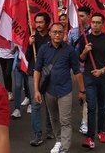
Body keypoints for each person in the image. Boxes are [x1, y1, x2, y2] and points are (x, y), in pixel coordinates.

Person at [33, 23, 85, 153]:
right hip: (49, 90)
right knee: (54, 118)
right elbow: (37, 70)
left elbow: (77, 71)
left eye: (60, 32)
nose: (57, 34)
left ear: (64, 34)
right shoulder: (43, 49)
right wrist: (36, 90)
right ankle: (59, 140)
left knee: (65, 120)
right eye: (54, 32)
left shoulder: (70, 50)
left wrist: (82, 90)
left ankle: (65, 148)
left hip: (65, 90)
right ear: (50, 33)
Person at [78, 13, 105, 148]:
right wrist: (85, 50)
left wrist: (102, 70)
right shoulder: (85, 38)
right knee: (91, 106)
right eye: (93, 22)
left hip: (104, 76)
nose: (95, 25)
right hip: (89, 77)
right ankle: (90, 137)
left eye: (98, 22)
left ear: (102, 24)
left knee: (102, 106)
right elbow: (81, 59)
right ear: (90, 23)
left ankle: (101, 131)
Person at [25, 12, 54, 146]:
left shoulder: (52, 37)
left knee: (49, 103)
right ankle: (37, 134)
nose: (38, 25)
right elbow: (27, 57)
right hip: (33, 74)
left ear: (47, 23)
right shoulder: (32, 38)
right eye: (36, 22)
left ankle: (50, 130)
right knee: (36, 103)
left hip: (49, 74)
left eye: (41, 22)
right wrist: (30, 44)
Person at [68, 6, 90, 135]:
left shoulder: (93, 32)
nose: (80, 18)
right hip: (75, 70)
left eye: (82, 16)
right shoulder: (72, 33)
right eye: (78, 16)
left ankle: (85, 121)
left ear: (88, 17)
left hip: (89, 69)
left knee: (86, 94)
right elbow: (69, 52)